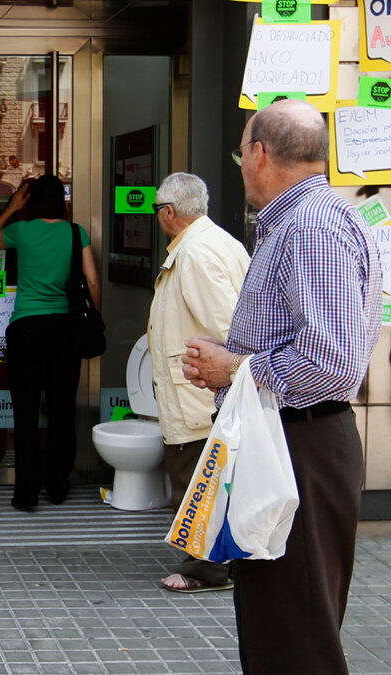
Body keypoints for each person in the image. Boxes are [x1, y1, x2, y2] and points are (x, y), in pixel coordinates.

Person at [182, 99, 382, 674]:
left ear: (259, 155)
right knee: (280, 624)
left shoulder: (311, 225)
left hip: (300, 444)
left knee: (298, 636)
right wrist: (234, 361)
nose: (241, 163)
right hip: (289, 440)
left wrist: (235, 369)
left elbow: (332, 362)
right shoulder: (300, 220)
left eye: (240, 151)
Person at [148, 173, 249, 593]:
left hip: (198, 391)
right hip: (201, 388)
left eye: (156, 210)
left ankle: (206, 569)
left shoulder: (196, 253)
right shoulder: (218, 241)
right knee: (208, 479)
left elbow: (226, 327)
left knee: (196, 481)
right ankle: (215, 562)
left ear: (169, 213)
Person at [0, 174, 100, 510]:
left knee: (26, 413)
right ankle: (58, 486)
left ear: (31, 201)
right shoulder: (76, 233)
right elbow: (91, 280)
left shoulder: (23, 230)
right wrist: (94, 320)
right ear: (61, 201)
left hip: (26, 330)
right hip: (64, 330)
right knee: (62, 411)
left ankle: (26, 494)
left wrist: (10, 209)